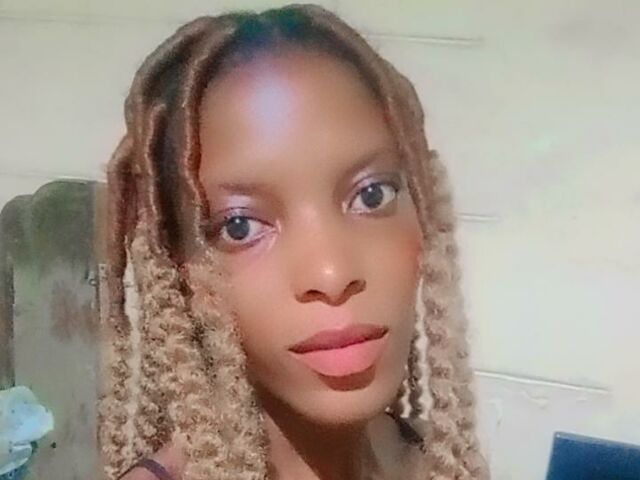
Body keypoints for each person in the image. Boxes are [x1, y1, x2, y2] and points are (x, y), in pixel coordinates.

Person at [100, 4, 489, 480]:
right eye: (240, 227)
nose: (331, 274)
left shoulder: (439, 462)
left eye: (372, 195)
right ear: (177, 272)